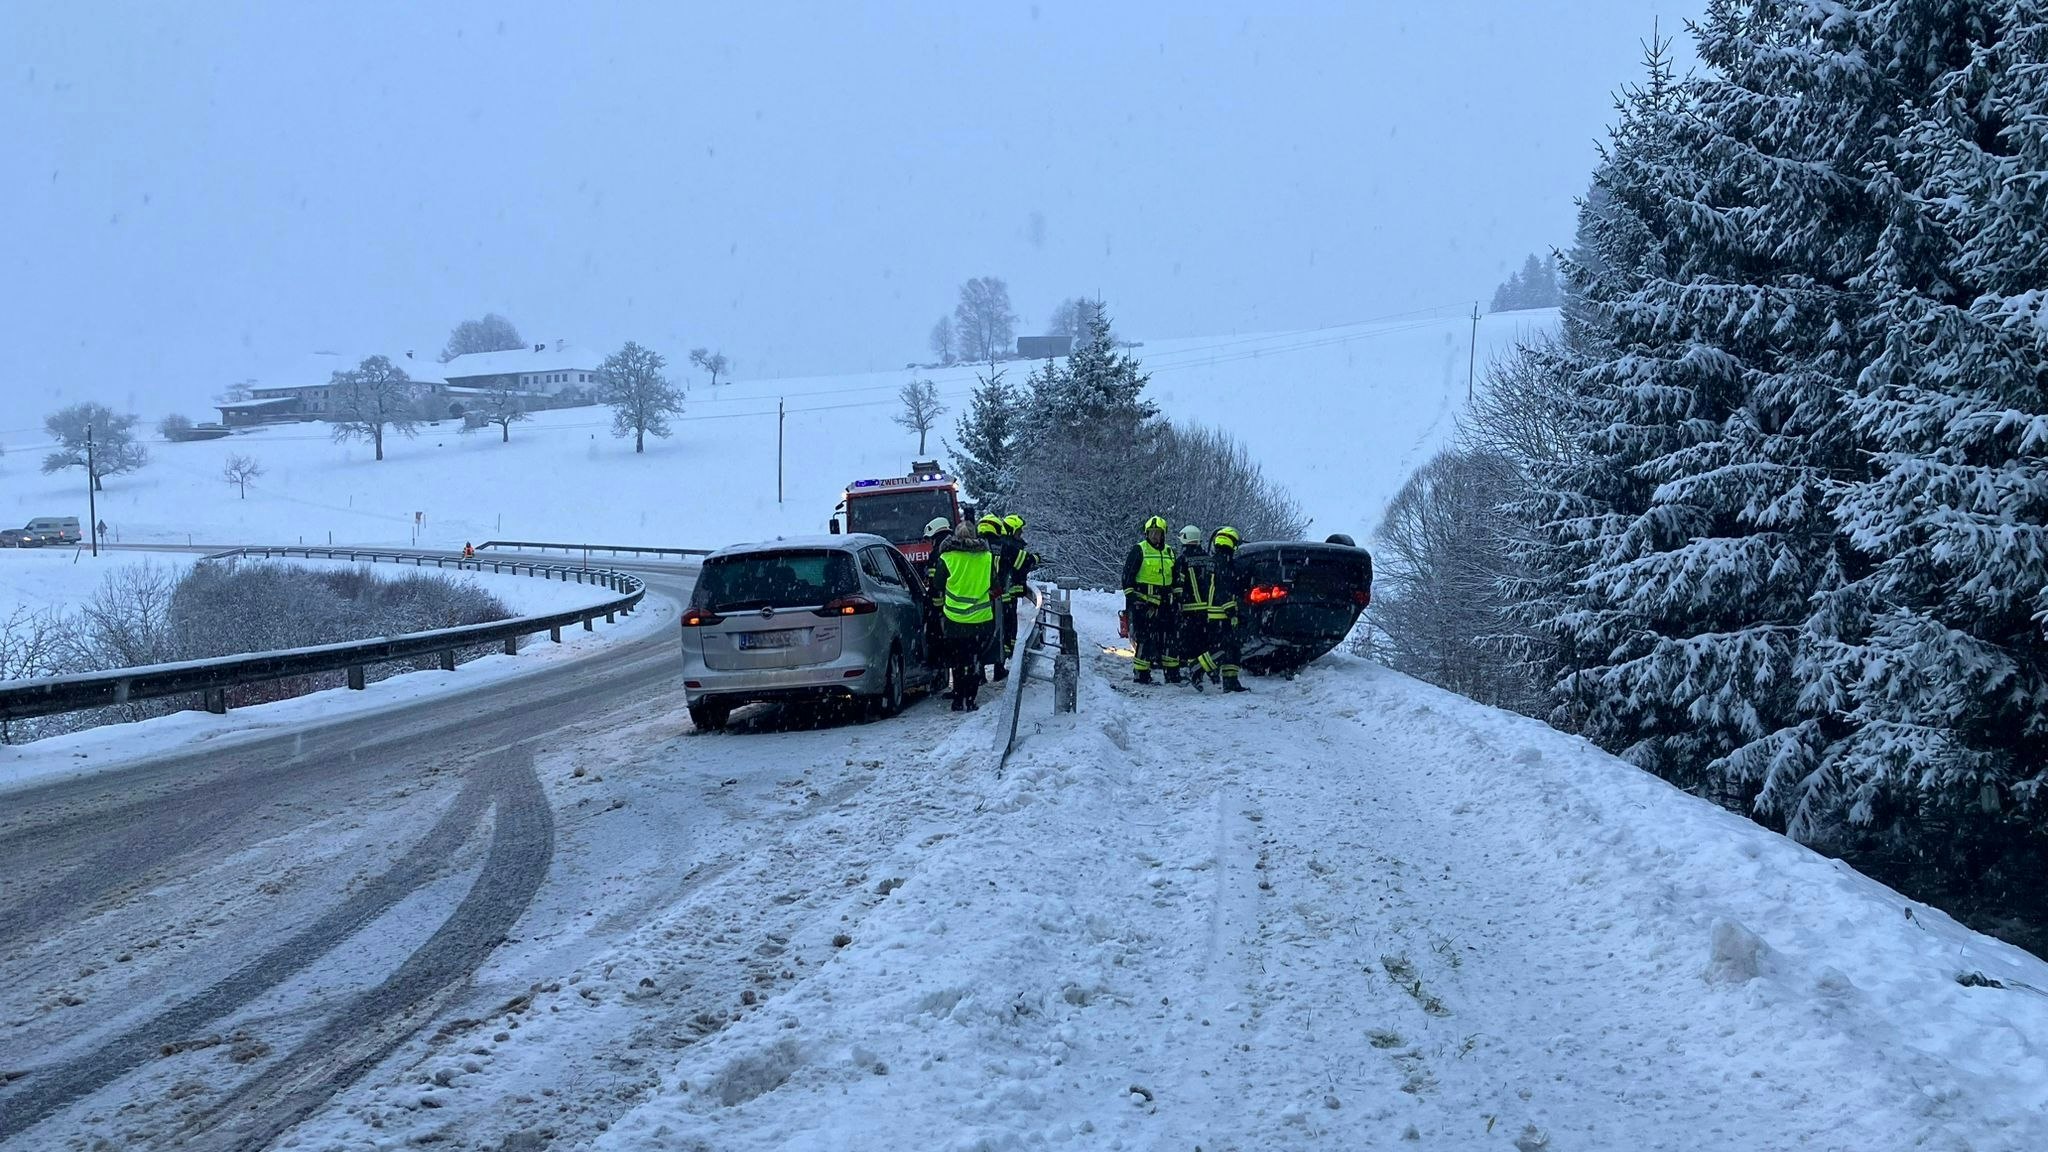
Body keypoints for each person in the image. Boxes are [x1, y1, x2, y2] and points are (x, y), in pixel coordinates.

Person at [932, 517, 998, 711]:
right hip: (981, 620)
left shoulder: (946, 559)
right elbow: (995, 587)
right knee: (975, 659)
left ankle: (957, 699)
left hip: (954, 620)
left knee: (958, 661)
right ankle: (971, 699)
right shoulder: (987, 558)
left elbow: (937, 585)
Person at [1120, 515, 1180, 684]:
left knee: (1169, 638)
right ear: (1147, 533)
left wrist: (1176, 598)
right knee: (1145, 639)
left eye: (1158, 532)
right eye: (1152, 532)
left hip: (1165, 604)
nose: (1155, 536)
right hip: (1144, 604)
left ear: (1163, 534)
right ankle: (1141, 674)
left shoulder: (1169, 552)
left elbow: (1175, 578)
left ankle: (1172, 674)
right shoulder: (1140, 549)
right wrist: (1133, 600)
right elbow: (1127, 577)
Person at [994, 513, 1038, 680]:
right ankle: (1002, 664)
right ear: (1012, 530)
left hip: (1000, 598)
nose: (1021, 534)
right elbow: (1021, 565)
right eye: (1019, 531)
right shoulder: (1010, 546)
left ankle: (998, 664)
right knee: (1007, 631)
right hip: (1006, 598)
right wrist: (1034, 559)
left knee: (1001, 631)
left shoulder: (1001, 545)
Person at [1208, 526, 1249, 692]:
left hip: (1216, 613)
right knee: (1225, 649)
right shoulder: (1224, 562)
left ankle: (1231, 681)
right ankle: (1197, 667)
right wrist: (1231, 610)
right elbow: (1223, 589)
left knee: (1232, 649)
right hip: (1221, 614)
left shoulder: (1216, 560)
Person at [1174, 525, 1213, 691]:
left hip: (1190, 610)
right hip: (1209, 610)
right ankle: (1209, 672)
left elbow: (1178, 585)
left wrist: (1177, 602)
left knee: (1191, 643)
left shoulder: (1183, 560)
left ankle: (1194, 672)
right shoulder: (1208, 558)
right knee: (1206, 642)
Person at [918, 515, 953, 664]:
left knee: (936, 637)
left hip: (945, 606)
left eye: (930, 539)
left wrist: (933, 606)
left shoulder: (937, 555)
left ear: (936, 536)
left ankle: (937, 663)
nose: (930, 543)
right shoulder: (957, 549)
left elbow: (936, 585)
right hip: (961, 605)